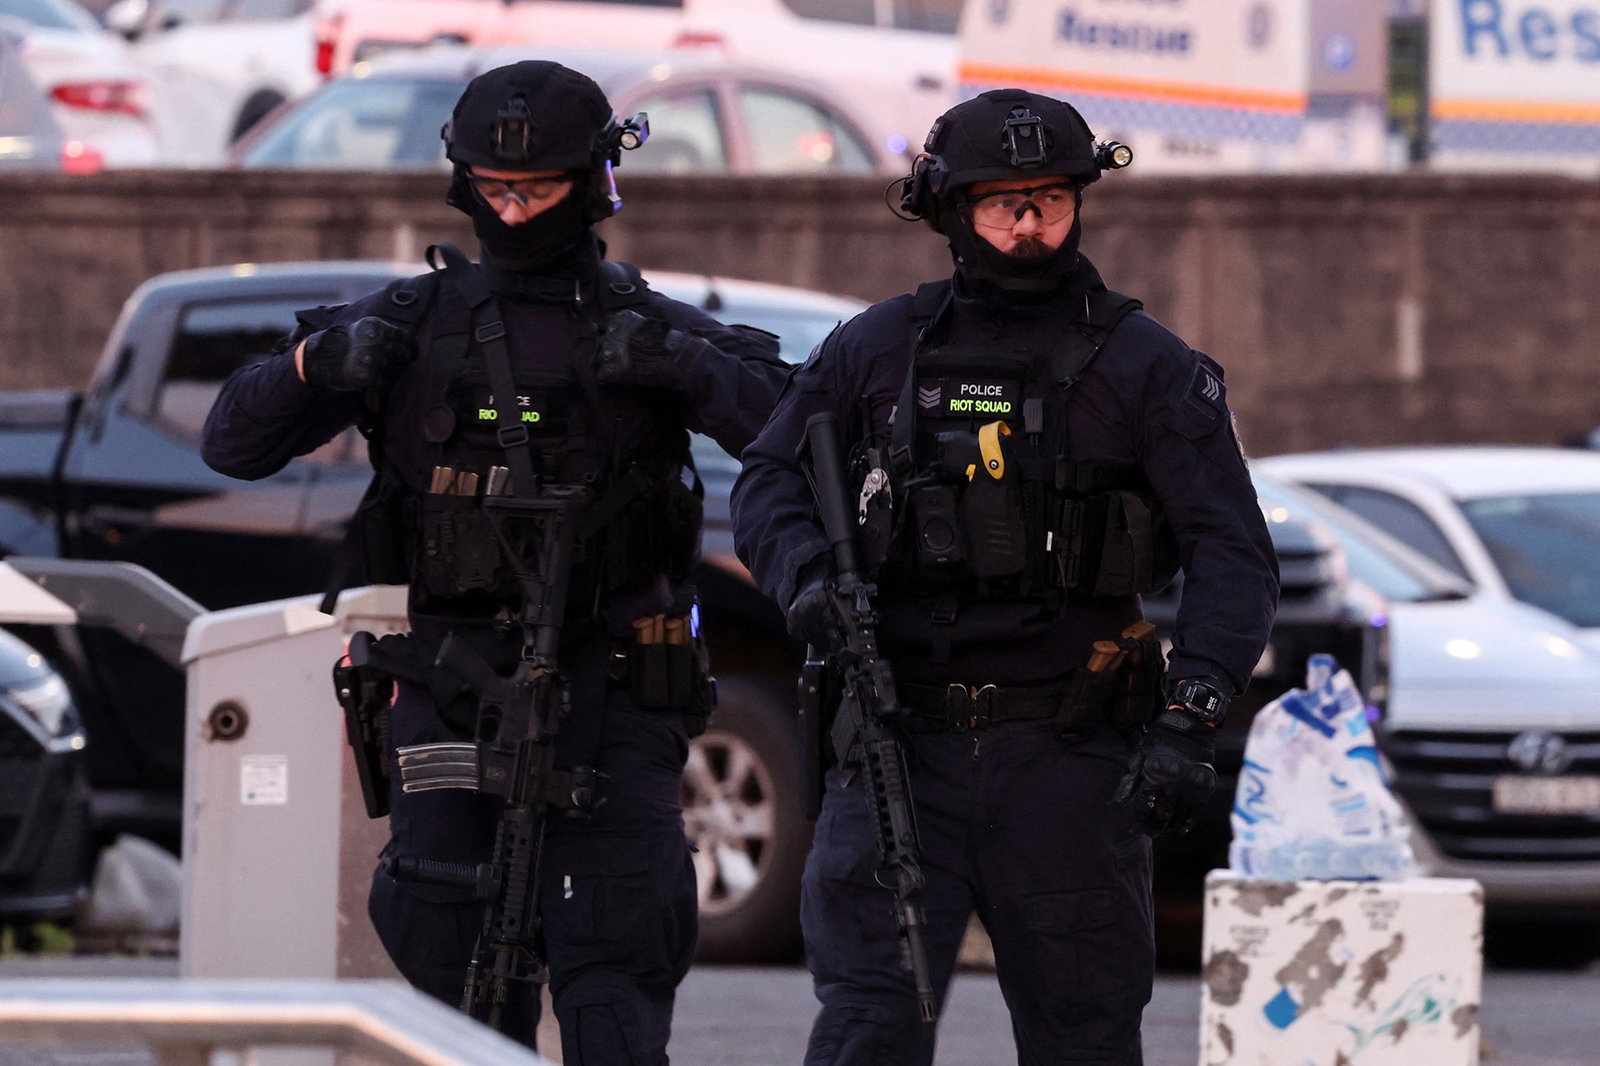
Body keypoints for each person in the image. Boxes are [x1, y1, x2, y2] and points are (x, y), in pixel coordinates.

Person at [201, 60, 790, 1062]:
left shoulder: (642, 323)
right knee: (452, 980)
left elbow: (799, 432)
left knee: (614, 972)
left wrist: (685, 367)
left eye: (539, 189)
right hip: (452, 688)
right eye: (495, 187)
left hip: (613, 695)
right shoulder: (410, 323)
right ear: (461, 180)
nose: (513, 210)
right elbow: (231, 443)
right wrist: (311, 366)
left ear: (595, 180)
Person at [730, 88, 1280, 1065]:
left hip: (1068, 761)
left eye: (1049, 201)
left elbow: (1231, 548)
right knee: (869, 1028)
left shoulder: (1146, 367)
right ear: (948, 210)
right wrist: (807, 580)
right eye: (1000, 204)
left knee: (1084, 1035)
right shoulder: (875, 350)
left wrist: (1192, 714)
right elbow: (772, 474)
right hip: (899, 740)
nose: (1027, 227)